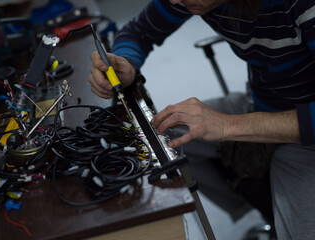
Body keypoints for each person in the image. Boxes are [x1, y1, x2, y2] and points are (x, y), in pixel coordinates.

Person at [89, 0, 315, 239]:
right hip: (263, 103)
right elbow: (140, 30)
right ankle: (265, 210)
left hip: (306, 136)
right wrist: (126, 62)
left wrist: (230, 125)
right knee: (165, 137)